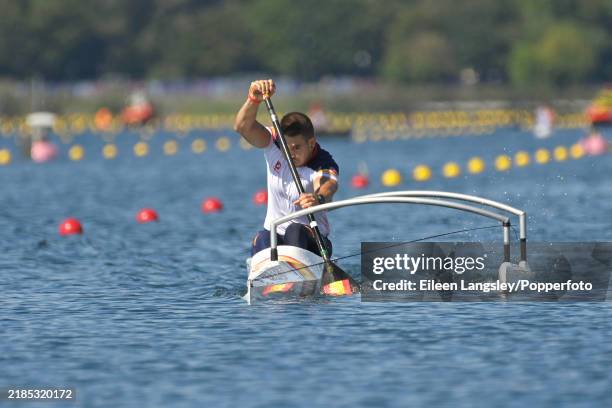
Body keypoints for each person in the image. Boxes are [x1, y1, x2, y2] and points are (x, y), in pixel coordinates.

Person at [234, 79, 339, 257]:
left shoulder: (323, 161)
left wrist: (318, 197)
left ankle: (297, 274)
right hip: (276, 237)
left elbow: (329, 185)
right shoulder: (274, 142)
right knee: (263, 238)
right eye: (286, 147)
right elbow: (242, 127)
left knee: (294, 230)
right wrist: (253, 99)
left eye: (297, 148)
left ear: (311, 143)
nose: (290, 154)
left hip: (314, 241)